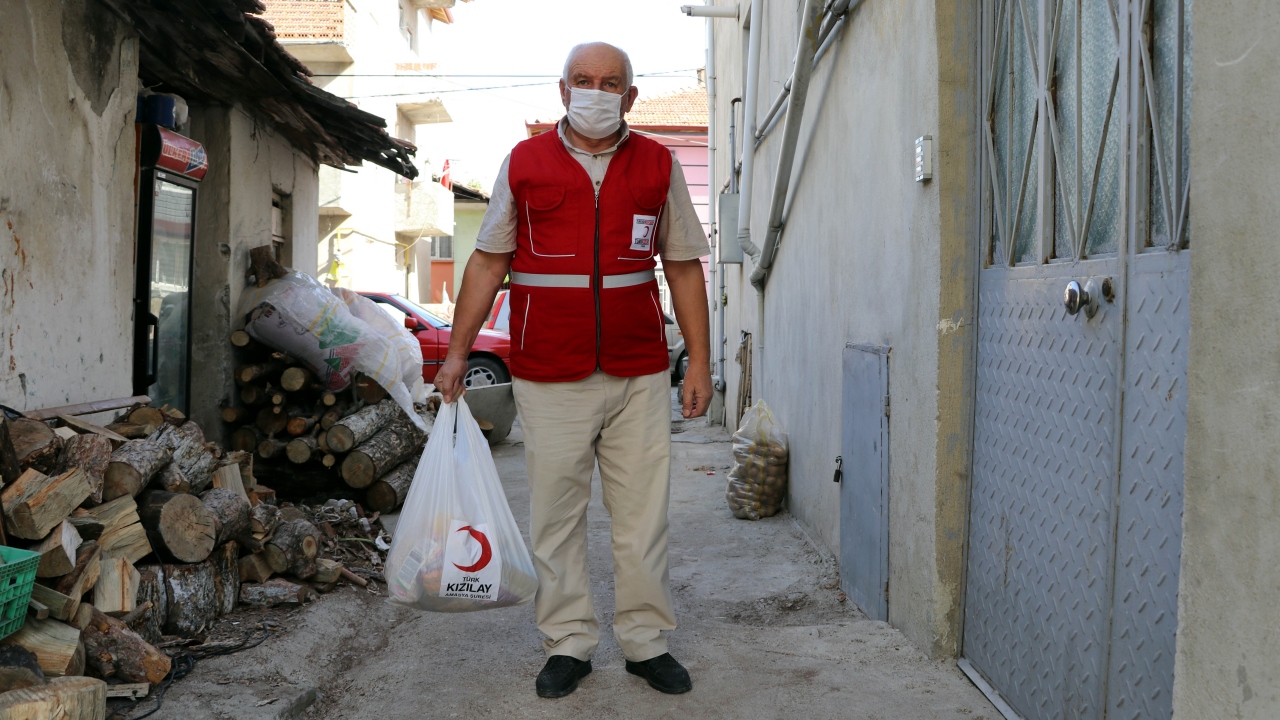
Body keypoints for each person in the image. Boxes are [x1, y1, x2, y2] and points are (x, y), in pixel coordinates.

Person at [434, 42, 712, 698]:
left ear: (630, 97)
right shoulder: (525, 163)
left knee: (643, 515)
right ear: (563, 92)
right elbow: (486, 262)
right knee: (555, 517)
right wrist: (455, 352)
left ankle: (645, 641)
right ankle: (568, 642)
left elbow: (681, 266)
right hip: (548, 370)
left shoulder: (657, 164)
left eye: (610, 83)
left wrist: (697, 359)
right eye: (583, 81)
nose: (596, 91)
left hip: (638, 369)